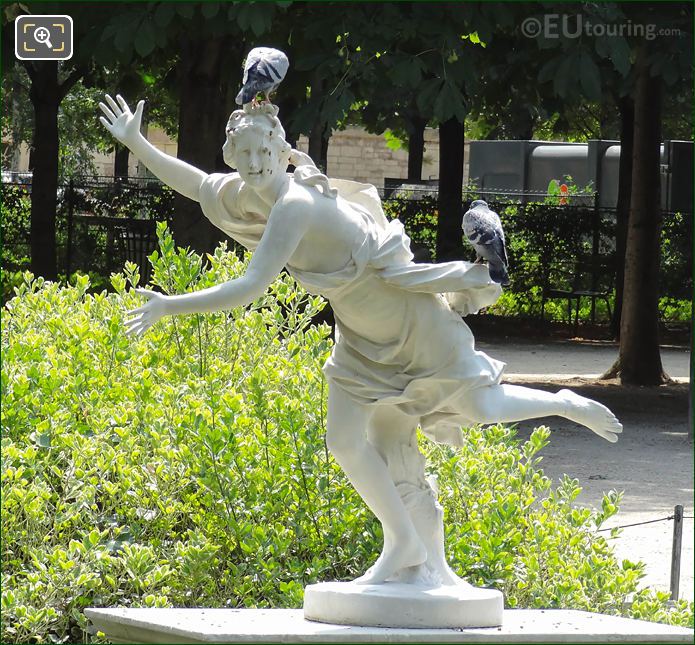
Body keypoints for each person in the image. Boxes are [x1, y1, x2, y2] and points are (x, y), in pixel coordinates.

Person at [99, 94, 622, 585]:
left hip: (409, 322)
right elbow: (196, 184)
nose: (256, 161)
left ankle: (564, 404)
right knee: (349, 444)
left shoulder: (295, 204)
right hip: (359, 339)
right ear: (233, 156)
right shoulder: (247, 193)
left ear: (283, 153)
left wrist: (170, 306)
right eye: (246, 153)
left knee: (479, 405)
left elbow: (252, 286)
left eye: (265, 151)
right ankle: (405, 546)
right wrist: (138, 144)